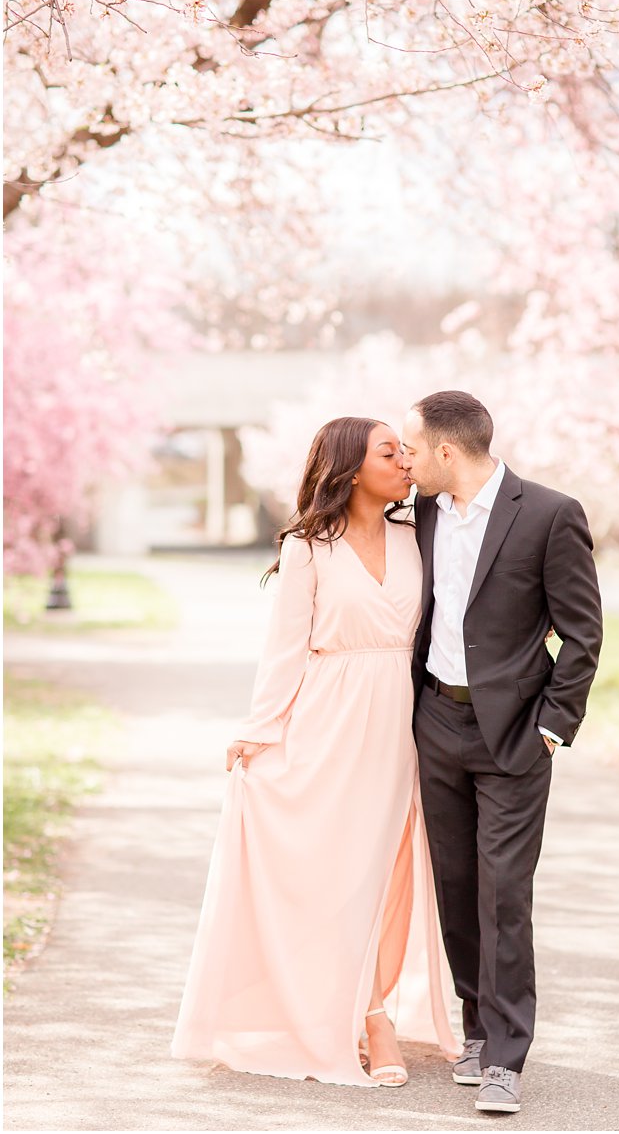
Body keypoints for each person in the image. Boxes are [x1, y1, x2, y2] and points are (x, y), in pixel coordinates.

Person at [173, 417, 461, 1087]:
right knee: (334, 870)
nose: (405, 459)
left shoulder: (417, 535)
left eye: (405, 449)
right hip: (328, 721)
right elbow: (285, 649)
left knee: (388, 868)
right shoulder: (309, 546)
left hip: (402, 722)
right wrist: (259, 730)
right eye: (389, 451)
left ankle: (376, 1010)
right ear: (352, 469)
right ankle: (353, 1011)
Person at [398, 390, 603, 1116]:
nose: (405, 459)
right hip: (435, 724)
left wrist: (553, 725)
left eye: (412, 448)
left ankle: (506, 1056)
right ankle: (478, 1028)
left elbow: (582, 634)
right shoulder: (418, 514)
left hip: (515, 734)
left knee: (504, 893)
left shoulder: (549, 515)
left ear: (447, 451)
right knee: (456, 888)